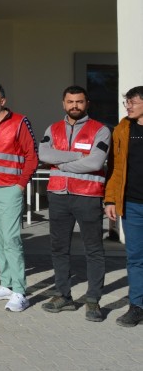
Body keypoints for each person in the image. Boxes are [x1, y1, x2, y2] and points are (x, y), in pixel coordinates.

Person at [38, 85, 110, 322]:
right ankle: (63, 296)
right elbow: (44, 155)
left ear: (87, 103)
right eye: (70, 102)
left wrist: (61, 163)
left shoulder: (100, 130)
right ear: (63, 103)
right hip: (58, 196)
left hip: (88, 195)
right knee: (59, 248)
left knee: (94, 250)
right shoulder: (53, 128)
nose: (74, 106)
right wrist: (78, 156)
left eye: (79, 102)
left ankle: (93, 301)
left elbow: (95, 162)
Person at [0, 83, 38, 313]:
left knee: (12, 240)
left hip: (9, 189)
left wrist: (20, 185)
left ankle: (20, 291)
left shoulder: (20, 122)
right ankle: (6, 283)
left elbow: (32, 155)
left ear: (2, 101)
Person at [105, 86, 143, 327]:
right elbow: (116, 168)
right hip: (132, 204)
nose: (127, 106)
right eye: (126, 102)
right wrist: (110, 199)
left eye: (132, 102)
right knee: (135, 258)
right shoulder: (122, 129)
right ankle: (137, 306)